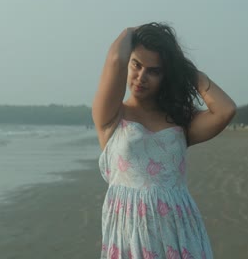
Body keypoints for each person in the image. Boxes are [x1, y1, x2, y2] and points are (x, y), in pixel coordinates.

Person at [92, 22, 236, 259]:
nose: (141, 77)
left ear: (166, 74)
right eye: (136, 65)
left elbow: (225, 110)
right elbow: (116, 59)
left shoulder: (180, 121)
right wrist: (132, 31)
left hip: (180, 235)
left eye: (154, 70)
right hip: (130, 236)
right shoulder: (111, 115)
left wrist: (184, 69)